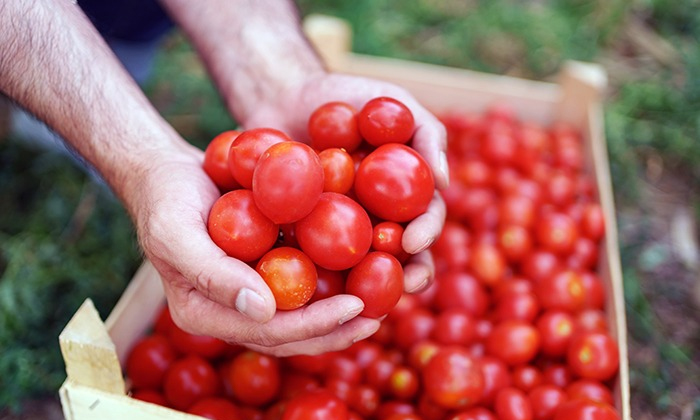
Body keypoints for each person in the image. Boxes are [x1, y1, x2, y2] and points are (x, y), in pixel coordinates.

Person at [0, 0, 449, 356]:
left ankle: (108, 49)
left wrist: (279, 74)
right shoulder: (285, 189)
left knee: (121, 30)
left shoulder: (320, 187)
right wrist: (137, 156)